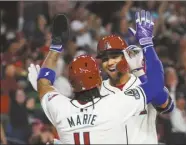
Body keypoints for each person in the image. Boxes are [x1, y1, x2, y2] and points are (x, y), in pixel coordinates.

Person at [28, 11, 168, 144]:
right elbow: (156, 85)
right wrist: (147, 44)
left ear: (71, 85)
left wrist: (55, 48)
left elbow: (43, 84)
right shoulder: (113, 105)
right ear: (99, 81)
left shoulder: (60, 108)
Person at [96, 12, 174, 144]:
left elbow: (165, 103)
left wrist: (146, 46)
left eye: (115, 57)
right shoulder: (97, 93)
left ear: (126, 56)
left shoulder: (145, 83)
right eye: (105, 59)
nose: (109, 63)